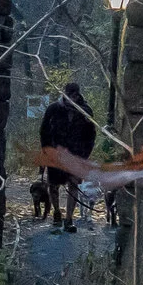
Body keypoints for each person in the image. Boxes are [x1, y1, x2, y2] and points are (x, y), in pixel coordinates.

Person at [37, 82, 99, 232]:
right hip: (56, 153)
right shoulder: (54, 109)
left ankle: (69, 219)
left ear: (78, 95)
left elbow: (91, 135)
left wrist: (84, 155)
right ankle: (57, 212)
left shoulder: (85, 111)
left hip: (76, 154)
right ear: (65, 94)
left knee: (73, 185)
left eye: (75, 95)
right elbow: (44, 131)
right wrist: (46, 150)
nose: (73, 98)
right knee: (53, 185)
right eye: (70, 95)